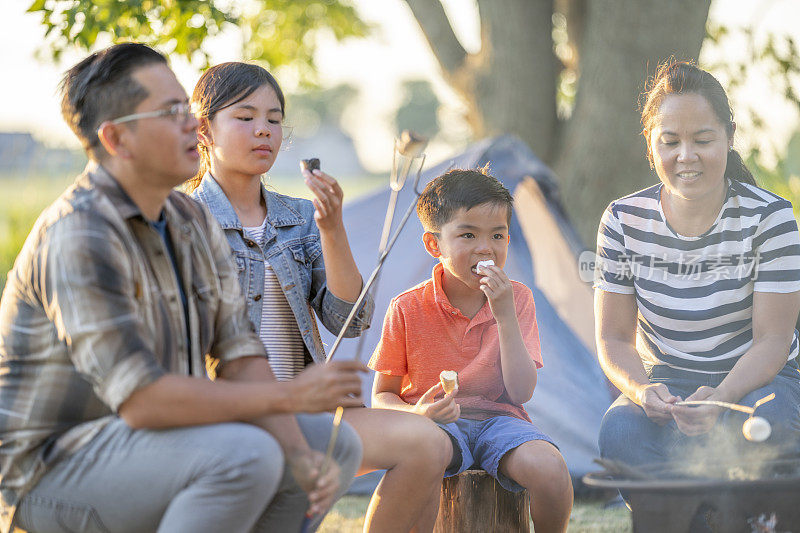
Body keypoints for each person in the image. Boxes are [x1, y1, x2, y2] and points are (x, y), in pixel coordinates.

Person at [0, 43, 366, 533]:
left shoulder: (189, 219)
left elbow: (239, 353)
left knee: (332, 445)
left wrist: (300, 453)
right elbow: (144, 399)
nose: (190, 125)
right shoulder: (80, 232)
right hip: (51, 466)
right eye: (171, 112)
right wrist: (289, 398)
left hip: (153, 439)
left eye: (187, 110)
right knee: (247, 454)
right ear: (117, 139)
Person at [187, 62, 453, 532]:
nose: (263, 130)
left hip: (311, 412)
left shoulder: (298, 217)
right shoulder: (182, 220)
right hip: (228, 418)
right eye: (245, 117)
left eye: (273, 118)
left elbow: (350, 320)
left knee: (429, 440)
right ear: (204, 129)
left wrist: (332, 229)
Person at [595, 60, 800, 474]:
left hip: (760, 380)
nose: (686, 156)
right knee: (619, 434)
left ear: (729, 137)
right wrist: (642, 390)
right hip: (668, 379)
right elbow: (614, 338)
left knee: (767, 427)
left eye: (703, 139)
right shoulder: (621, 220)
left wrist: (721, 396)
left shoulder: (770, 218)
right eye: (669, 141)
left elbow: (773, 341)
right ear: (650, 144)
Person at [369, 169, 574, 533]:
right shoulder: (406, 307)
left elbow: (522, 392)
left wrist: (505, 317)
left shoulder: (518, 299)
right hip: (435, 426)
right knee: (425, 465)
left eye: (497, 235)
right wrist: (418, 412)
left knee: (551, 469)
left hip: (501, 421)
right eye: (468, 234)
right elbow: (382, 395)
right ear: (435, 245)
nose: (485, 248)